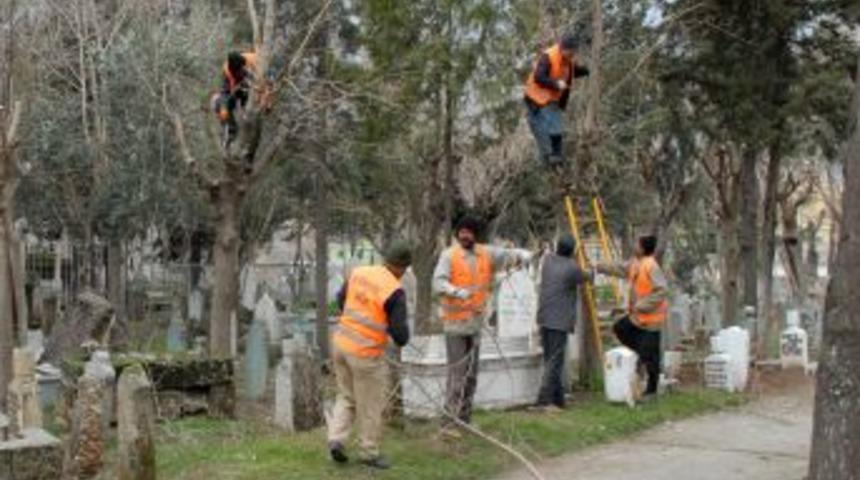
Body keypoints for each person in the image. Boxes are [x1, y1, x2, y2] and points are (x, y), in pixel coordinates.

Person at [433, 216, 532, 439]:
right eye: (461, 232)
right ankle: (448, 424)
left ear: (475, 234)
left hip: (475, 325)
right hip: (455, 326)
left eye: (469, 232)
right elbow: (437, 283)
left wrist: (522, 255)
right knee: (457, 376)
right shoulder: (448, 256)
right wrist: (455, 291)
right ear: (457, 234)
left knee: (471, 377)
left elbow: (506, 256)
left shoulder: (485, 253)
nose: (465, 235)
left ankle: (465, 421)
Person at [327, 242, 412, 470]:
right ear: (402, 268)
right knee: (371, 404)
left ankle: (336, 439)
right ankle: (369, 452)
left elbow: (340, 299)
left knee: (346, 396)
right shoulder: (394, 290)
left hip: (341, 344)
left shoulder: (360, 272)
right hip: (365, 354)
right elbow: (401, 335)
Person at [595, 235, 669, 399]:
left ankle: (651, 390)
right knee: (620, 328)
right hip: (637, 317)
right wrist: (599, 266)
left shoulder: (651, 266)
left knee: (652, 356)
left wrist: (642, 305)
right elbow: (619, 268)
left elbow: (662, 290)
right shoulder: (636, 264)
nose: (634, 245)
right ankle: (640, 355)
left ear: (642, 248)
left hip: (651, 320)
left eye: (637, 243)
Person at [533, 234, 592, 411]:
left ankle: (558, 400)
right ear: (572, 250)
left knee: (550, 358)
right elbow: (586, 276)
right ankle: (543, 401)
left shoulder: (548, 261)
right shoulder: (572, 268)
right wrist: (592, 267)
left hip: (544, 317)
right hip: (559, 321)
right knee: (555, 361)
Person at [524, 33, 590, 169]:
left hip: (547, 98)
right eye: (571, 51)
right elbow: (539, 77)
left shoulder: (568, 60)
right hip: (536, 98)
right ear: (563, 48)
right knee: (551, 128)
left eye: (574, 52)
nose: (573, 54)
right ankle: (553, 158)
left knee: (549, 131)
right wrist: (555, 84)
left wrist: (587, 70)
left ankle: (552, 162)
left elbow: (572, 72)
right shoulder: (548, 57)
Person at [213, 51, 257, 142]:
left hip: (255, 90)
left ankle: (250, 122)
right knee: (219, 104)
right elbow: (225, 92)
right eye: (236, 72)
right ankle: (231, 131)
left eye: (239, 70)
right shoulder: (228, 72)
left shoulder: (254, 60)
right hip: (239, 90)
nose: (238, 72)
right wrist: (223, 107)